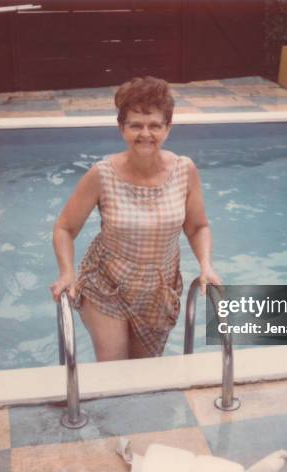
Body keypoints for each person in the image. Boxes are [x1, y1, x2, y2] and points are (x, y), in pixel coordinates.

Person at [50, 76, 221, 361]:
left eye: (154, 125)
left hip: (157, 292)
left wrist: (206, 265)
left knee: (144, 372)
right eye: (136, 125)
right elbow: (64, 228)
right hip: (106, 285)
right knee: (115, 366)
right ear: (122, 128)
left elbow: (197, 226)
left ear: (168, 128)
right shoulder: (102, 174)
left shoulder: (184, 170)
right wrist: (67, 272)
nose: (145, 134)